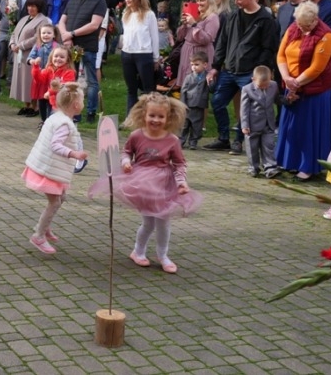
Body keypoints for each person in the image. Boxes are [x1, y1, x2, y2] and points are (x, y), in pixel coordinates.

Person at [91, 92, 201, 274]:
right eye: (152, 115)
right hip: (142, 183)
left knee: (164, 222)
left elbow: (180, 163)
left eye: (160, 116)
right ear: (144, 115)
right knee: (149, 223)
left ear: (168, 118)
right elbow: (126, 152)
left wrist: (181, 182)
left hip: (163, 186)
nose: (156, 120)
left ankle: (162, 255)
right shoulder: (136, 135)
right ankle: (138, 251)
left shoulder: (172, 140)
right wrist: (126, 162)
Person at [203, 0, 280, 155]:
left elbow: (268, 48)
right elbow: (222, 41)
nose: (236, 2)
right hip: (229, 69)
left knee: (246, 108)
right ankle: (223, 138)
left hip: (249, 72)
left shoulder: (266, 20)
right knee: (217, 101)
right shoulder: (233, 17)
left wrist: (258, 71)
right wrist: (216, 66)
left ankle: (238, 141)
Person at [22, 83, 87, 254]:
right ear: (76, 105)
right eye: (82, 100)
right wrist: (74, 154)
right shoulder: (64, 124)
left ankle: (45, 225)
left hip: (47, 166)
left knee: (61, 197)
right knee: (55, 201)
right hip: (49, 169)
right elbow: (55, 145)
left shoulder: (55, 117)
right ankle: (38, 235)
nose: (83, 103)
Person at [275, 1, 331, 181]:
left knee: (309, 130)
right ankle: (290, 162)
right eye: (299, 24)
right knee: (291, 128)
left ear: (315, 20)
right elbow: (281, 54)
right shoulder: (294, 27)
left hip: (314, 91)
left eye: (306, 25)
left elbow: (317, 68)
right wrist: (286, 78)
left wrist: (296, 83)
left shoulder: (326, 36)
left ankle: (309, 166)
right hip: (292, 84)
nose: (301, 28)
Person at [58, 0, 107, 123]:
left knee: (91, 80)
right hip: (71, 45)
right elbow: (62, 20)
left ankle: (91, 112)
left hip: (88, 46)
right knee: (71, 79)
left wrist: (72, 33)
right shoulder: (72, 0)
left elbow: (94, 25)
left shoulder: (99, 1)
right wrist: (65, 35)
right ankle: (74, 112)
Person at [119, 0, 161, 115]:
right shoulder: (126, 14)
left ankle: (150, 115)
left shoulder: (149, 15)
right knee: (131, 89)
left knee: (148, 88)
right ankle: (130, 117)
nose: (128, 0)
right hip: (127, 54)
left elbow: (154, 37)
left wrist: (156, 58)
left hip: (144, 54)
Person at [10, 0, 49, 116]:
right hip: (19, 54)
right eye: (29, 6)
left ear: (39, 7)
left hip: (30, 54)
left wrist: (21, 45)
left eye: (33, 6)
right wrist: (12, 44)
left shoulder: (42, 20)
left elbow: (37, 37)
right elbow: (14, 33)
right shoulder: (24, 19)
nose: (30, 9)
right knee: (21, 80)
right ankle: (26, 104)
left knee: (30, 80)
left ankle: (34, 106)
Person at [240, 65, 280, 178]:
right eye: (260, 86)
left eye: (266, 85)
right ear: (253, 80)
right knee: (252, 147)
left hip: (268, 123)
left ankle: (270, 168)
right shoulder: (247, 89)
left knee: (269, 145)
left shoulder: (274, 85)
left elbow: (277, 99)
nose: (264, 87)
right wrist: (244, 125)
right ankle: (253, 167)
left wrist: (288, 100)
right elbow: (244, 109)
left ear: (271, 78)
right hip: (252, 124)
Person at [175, 0, 220, 87]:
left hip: (201, 52)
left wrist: (194, 24)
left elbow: (207, 39)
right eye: (197, 0)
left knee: (198, 86)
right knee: (186, 85)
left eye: (202, 0)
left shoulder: (212, 17)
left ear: (210, 1)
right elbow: (180, 37)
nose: (199, 3)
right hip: (187, 51)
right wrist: (184, 25)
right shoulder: (195, 15)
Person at [28, 24, 63, 121]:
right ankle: (43, 120)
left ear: (54, 35)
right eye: (43, 33)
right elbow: (30, 57)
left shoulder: (57, 46)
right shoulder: (37, 46)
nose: (46, 35)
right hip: (41, 76)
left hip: (52, 76)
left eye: (49, 33)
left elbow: (62, 59)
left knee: (51, 99)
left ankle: (50, 119)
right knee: (41, 99)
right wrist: (33, 61)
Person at [179, 51, 210, 150]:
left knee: (196, 125)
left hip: (200, 104)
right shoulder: (188, 77)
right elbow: (183, 90)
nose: (194, 67)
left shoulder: (207, 76)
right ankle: (181, 140)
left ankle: (193, 141)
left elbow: (212, 89)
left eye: (197, 64)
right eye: (192, 64)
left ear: (205, 65)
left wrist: (211, 80)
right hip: (188, 103)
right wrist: (183, 104)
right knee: (185, 124)